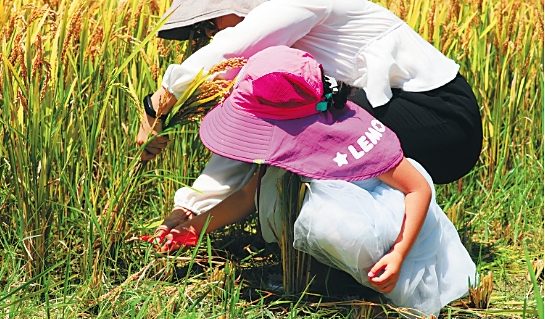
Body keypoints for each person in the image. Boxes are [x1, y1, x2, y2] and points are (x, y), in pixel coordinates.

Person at [155, 46, 476, 317]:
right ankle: (316, 275)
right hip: (346, 221)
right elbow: (246, 198)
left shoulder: (352, 134)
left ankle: (342, 282)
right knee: (275, 190)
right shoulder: (286, 140)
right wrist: (193, 228)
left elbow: (417, 187)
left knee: (317, 216)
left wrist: (399, 253)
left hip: (389, 235)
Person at [137, 0, 482, 186]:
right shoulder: (269, 43)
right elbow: (247, 130)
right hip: (395, 115)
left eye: (210, 21)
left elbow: (229, 49)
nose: (210, 32)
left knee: (306, 130)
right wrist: (193, 208)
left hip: (442, 116)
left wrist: (157, 106)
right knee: (286, 122)